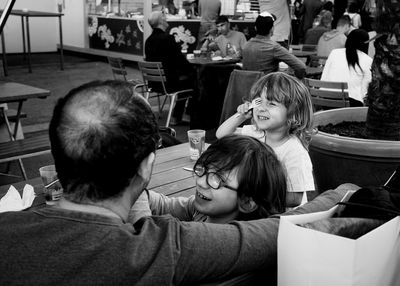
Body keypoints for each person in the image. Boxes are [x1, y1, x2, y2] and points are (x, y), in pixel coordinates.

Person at [0, 80, 355, 285]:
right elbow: (276, 231)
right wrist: (341, 192)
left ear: (56, 155)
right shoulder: (164, 249)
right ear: (147, 165)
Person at [131, 135, 287, 224]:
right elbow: (163, 205)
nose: (200, 181)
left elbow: (148, 242)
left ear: (247, 202)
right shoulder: (203, 210)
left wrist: (131, 186)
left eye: (217, 178)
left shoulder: (220, 243)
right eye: (202, 169)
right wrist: (134, 187)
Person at [216, 72, 315, 209]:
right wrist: (241, 116)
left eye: (271, 104)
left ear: (293, 112)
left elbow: (294, 199)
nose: (261, 108)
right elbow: (222, 134)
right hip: (257, 208)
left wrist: (252, 195)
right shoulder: (255, 133)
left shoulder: (294, 151)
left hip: (281, 218)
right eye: (258, 102)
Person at [145, 11, 194, 125]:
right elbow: (179, 60)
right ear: (161, 22)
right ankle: (182, 115)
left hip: (154, 83)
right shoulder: (167, 38)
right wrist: (193, 69)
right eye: (164, 17)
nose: (166, 19)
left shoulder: (148, 40)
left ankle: (181, 115)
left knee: (188, 78)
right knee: (194, 79)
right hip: (169, 83)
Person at [242, 12, 306, 79]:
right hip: (267, 87)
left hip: (246, 87)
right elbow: (301, 67)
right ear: (272, 29)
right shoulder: (273, 47)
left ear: (255, 28)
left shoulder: (246, 45)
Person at [321, 29, 372, 106]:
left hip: (326, 101)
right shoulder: (367, 60)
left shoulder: (334, 53)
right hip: (351, 105)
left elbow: (324, 77)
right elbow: (364, 90)